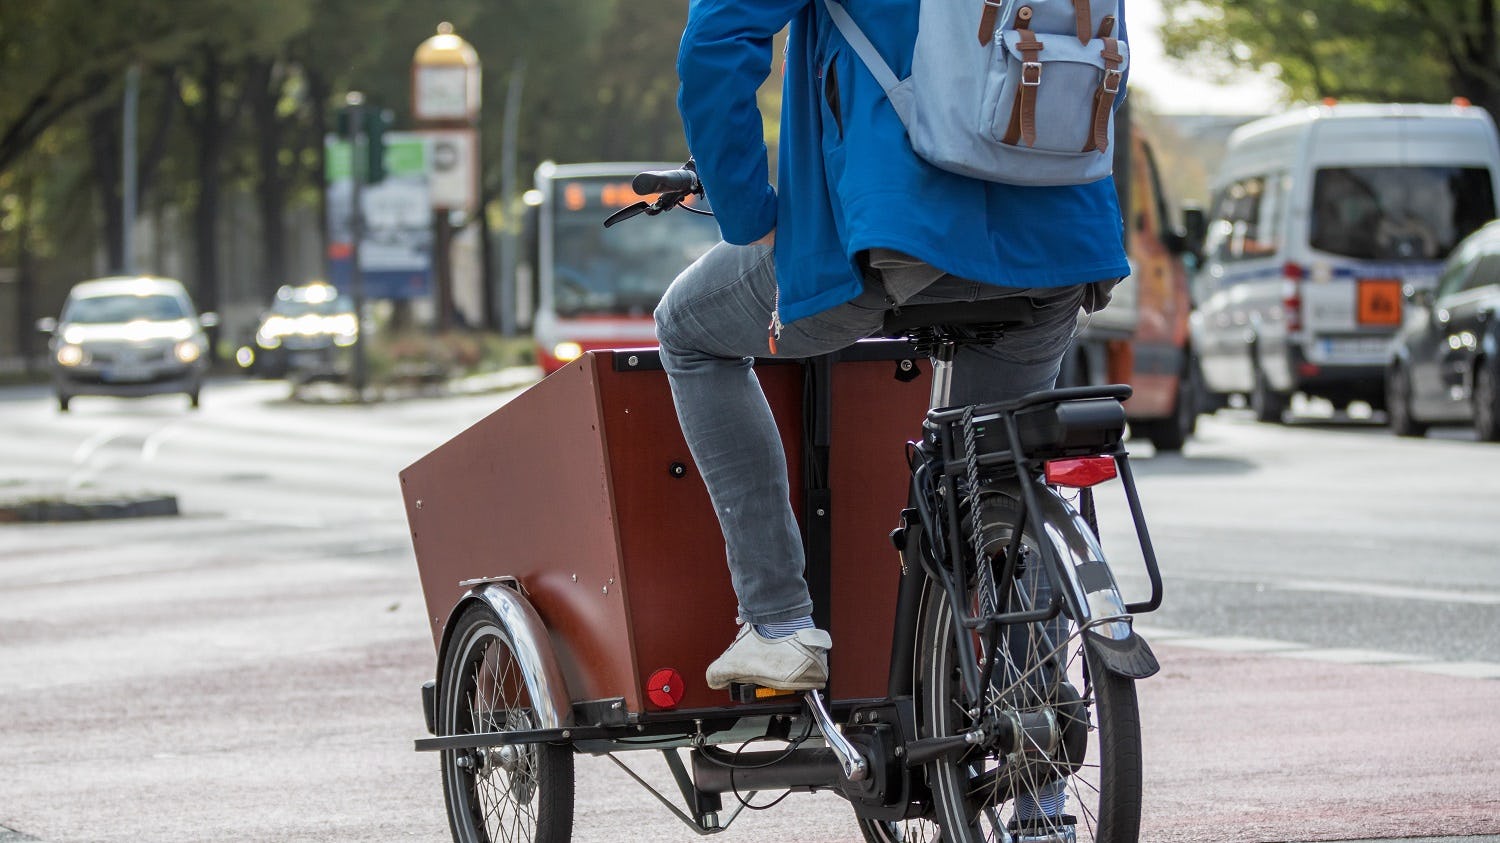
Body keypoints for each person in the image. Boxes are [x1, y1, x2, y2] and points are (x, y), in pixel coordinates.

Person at [656, 1, 1129, 695]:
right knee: (998, 468)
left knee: (688, 329)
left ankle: (778, 621)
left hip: (896, 229)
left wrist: (749, 213)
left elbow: (716, 41)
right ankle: (1034, 725)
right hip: (1064, 240)